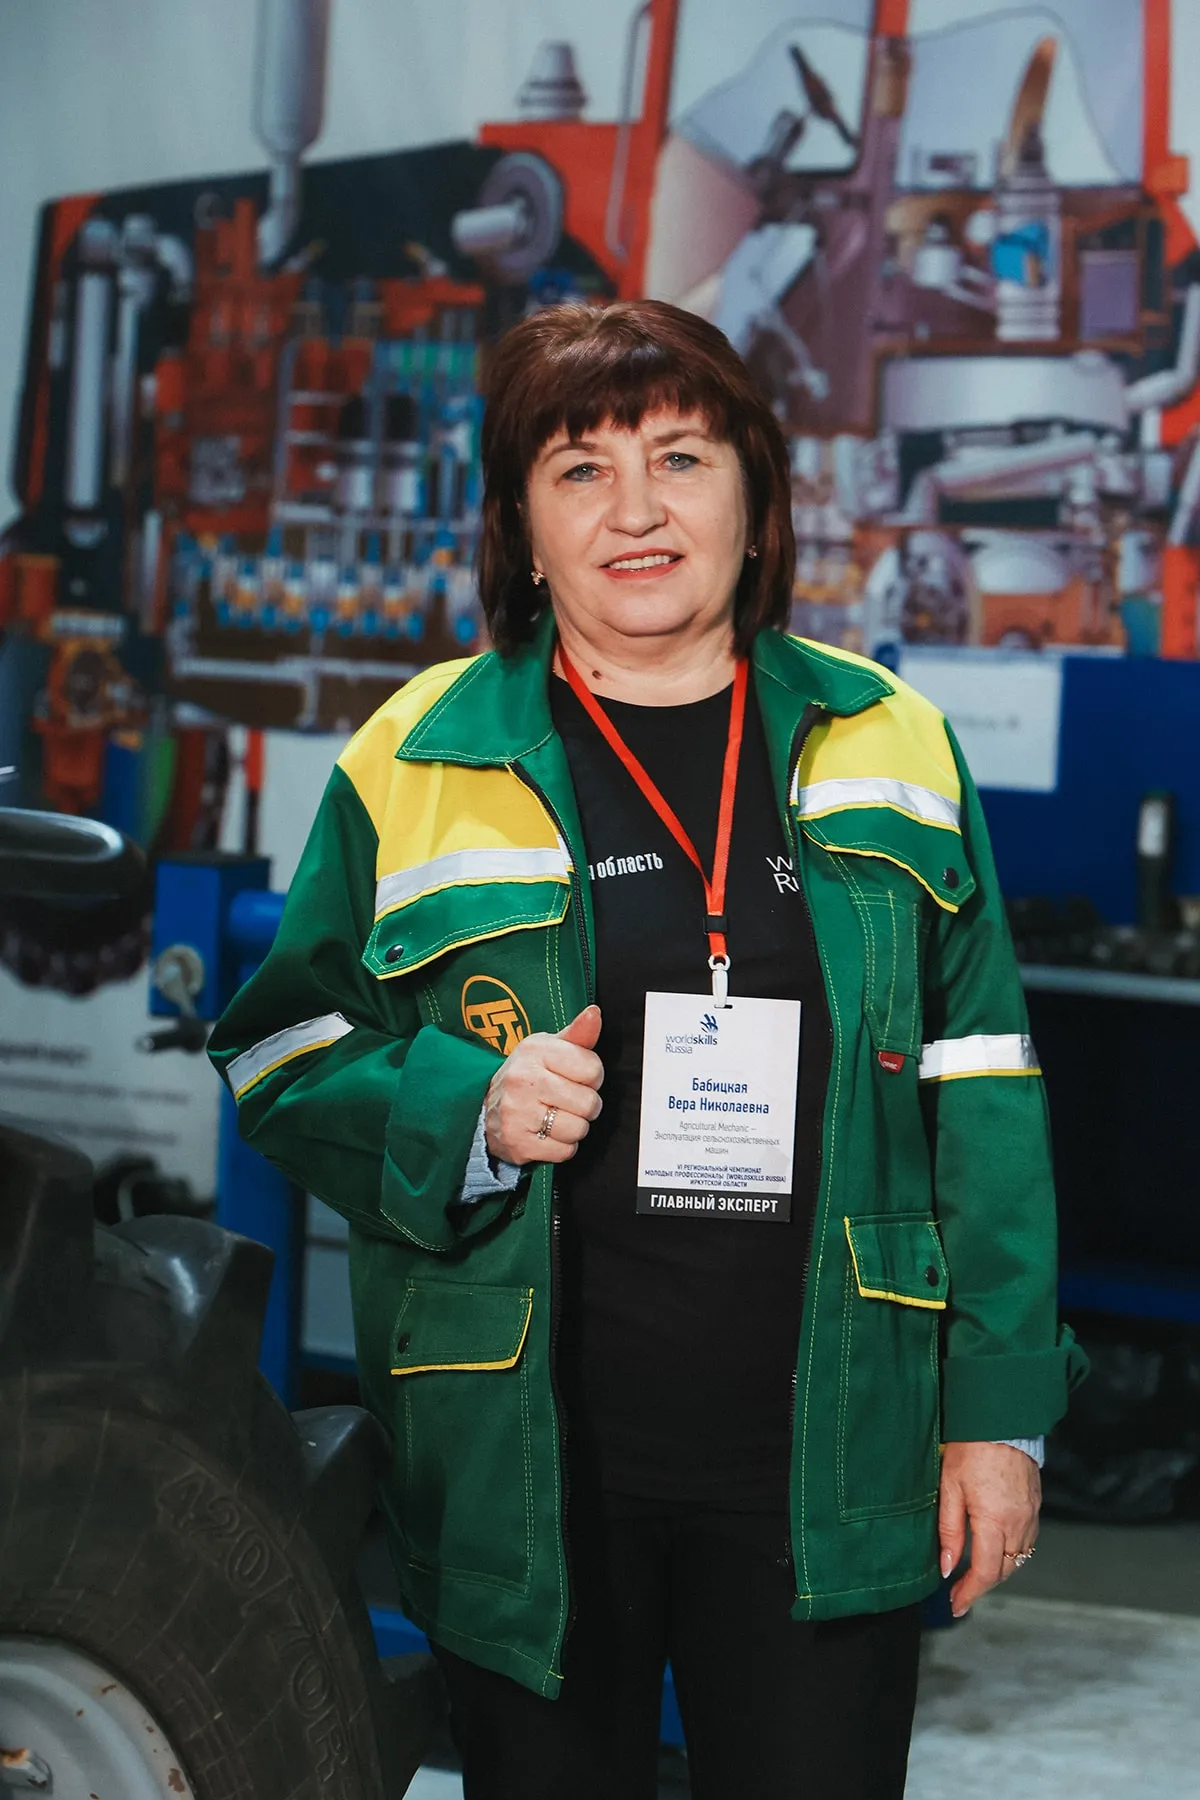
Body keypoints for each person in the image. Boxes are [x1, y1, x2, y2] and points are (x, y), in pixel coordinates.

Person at [208, 299, 1086, 1800]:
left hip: (834, 1451)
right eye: (580, 470)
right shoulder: (415, 755)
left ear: (754, 496)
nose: (636, 512)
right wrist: (470, 1108)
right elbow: (283, 1049)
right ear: (520, 527)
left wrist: (999, 1420)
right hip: (524, 1460)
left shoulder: (891, 741)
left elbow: (982, 1087)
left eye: (680, 458)